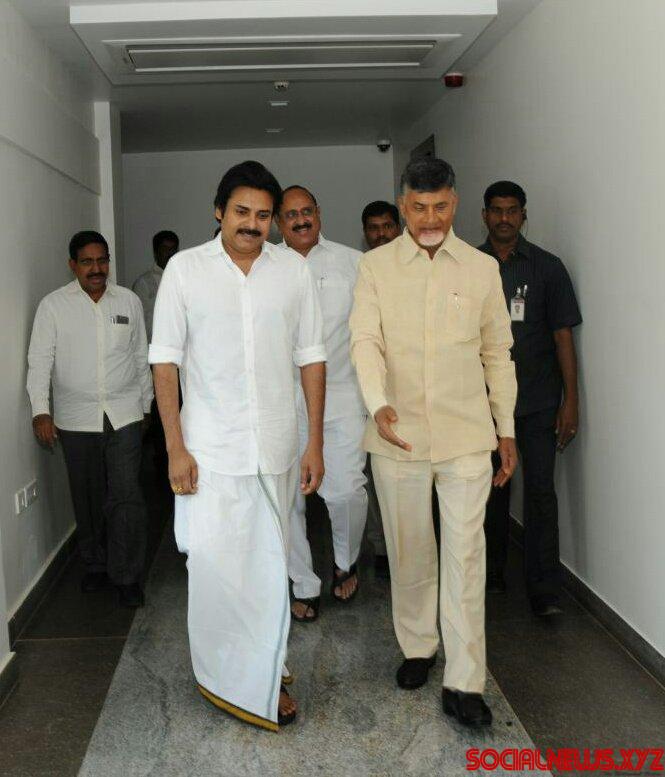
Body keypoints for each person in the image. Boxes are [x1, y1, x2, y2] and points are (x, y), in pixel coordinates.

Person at [149, 162, 326, 731]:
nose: (252, 224)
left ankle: (266, 672)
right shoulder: (184, 270)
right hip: (211, 453)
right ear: (219, 211)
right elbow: (165, 362)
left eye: (263, 215)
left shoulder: (292, 272)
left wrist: (314, 442)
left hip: (275, 447)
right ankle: (225, 673)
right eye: (242, 212)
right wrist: (175, 447)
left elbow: (312, 358)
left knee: (270, 569)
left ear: (275, 221)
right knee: (218, 571)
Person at [350, 157, 518, 727]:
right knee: (410, 547)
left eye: (440, 207)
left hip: (467, 436)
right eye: (419, 208)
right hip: (396, 437)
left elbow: (498, 352)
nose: (429, 218)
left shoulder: (480, 269)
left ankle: (465, 681)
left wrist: (507, 428)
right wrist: (378, 402)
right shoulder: (374, 268)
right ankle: (418, 646)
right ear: (402, 205)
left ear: (454, 203)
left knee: (467, 555)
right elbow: (364, 341)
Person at [27, 230, 153, 608]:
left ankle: (127, 575)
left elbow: (140, 356)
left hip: (124, 413)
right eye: (87, 262)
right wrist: (40, 410)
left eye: (102, 260)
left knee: (126, 495)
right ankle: (96, 564)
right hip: (75, 418)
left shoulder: (128, 301)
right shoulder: (53, 306)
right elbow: (40, 361)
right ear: (73, 265)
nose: (97, 269)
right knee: (88, 495)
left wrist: (146, 406)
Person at [479, 181, 582, 616]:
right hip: (482, 404)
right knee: (489, 493)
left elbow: (563, 337)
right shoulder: (467, 266)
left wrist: (571, 401)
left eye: (512, 210)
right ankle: (491, 575)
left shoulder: (548, 268)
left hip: (539, 400)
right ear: (484, 215)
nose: (504, 218)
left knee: (540, 493)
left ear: (524, 215)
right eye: (497, 210)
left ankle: (544, 590)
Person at [276, 186, 368, 622]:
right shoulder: (264, 266)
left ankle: (345, 561)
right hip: (283, 403)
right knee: (287, 498)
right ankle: (304, 582)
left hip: (343, 397)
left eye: (307, 211)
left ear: (319, 213)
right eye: (290, 214)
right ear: (278, 222)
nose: (300, 220)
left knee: (347, 490)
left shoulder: (354, 263)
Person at [361, 200, 402, 577]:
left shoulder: (417, 269)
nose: (380, 234)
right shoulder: (363, 270)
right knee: (376, 477)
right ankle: (383, 549)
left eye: (387, 226)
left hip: (413, 393)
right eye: (373, 228)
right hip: (370, 393)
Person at [132, 230, 179, 342]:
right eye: (165, 249)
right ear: (156, 252)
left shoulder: (184, 279)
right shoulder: (143, 284)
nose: (169, 253)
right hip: (153, 348)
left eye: (173, 249)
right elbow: (138, 322)